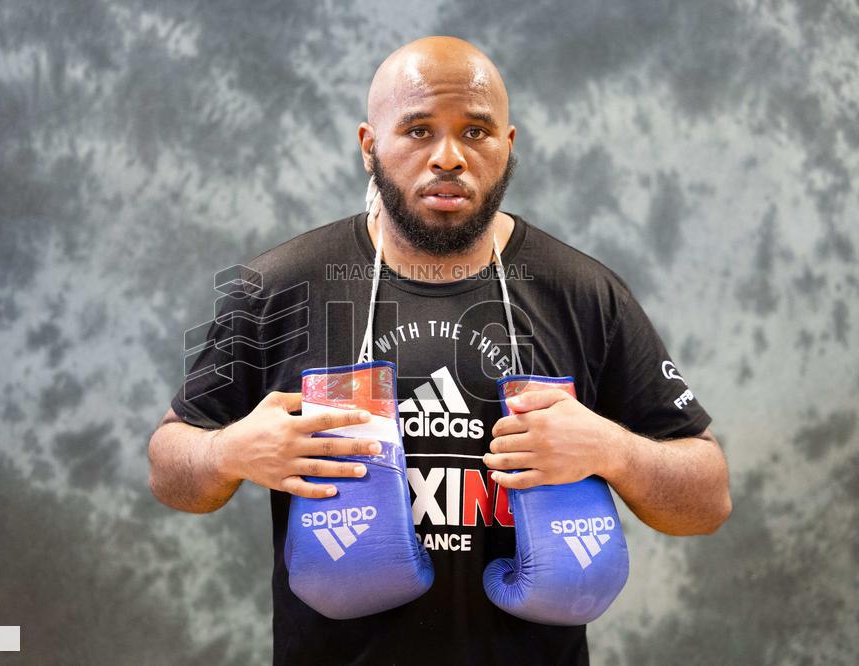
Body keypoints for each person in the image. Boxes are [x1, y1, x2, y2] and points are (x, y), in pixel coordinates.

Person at [147, 35, 732, 665]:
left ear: (508, 148)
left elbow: (706, 498)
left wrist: (613, 450)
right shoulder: (282, 287)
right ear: (370, 147)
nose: (448, 157)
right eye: (419, 130)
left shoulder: (585, 294)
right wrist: (229, 452)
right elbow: (169, 468)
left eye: (476, 132)